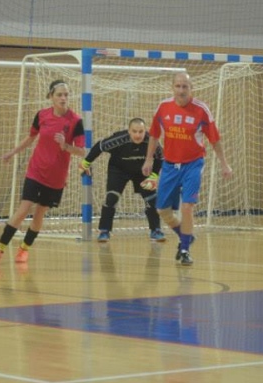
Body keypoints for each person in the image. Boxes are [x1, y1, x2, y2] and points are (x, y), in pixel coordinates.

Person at [0, 79, 85, 265]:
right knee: (23, 209)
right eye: (59, 95)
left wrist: (65, 146)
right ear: (50, 96)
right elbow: (30, 138)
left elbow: (81, 151)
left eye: (66, 94)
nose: (63, 98)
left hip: (56, 177)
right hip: (36, 171)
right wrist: (12, 152)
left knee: (39, 213)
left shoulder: (76, 121)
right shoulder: (41, 115)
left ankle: (24, 250)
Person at [142, 71, 232, 266]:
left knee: (187, 207)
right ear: (172, 88)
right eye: (178, 86)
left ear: (192, 89)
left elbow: (215, 139)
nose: (181, 90)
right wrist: (149, 159)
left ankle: (184, 249)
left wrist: (224, 163)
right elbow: (154, 136)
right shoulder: (163, 108)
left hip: (193, 164)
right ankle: (186, 235)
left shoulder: (201, 110)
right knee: (162, 210)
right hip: (169, 164)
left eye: (185, 87)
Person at [79, 118, 165, 242]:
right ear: (129, 131)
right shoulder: (119, 139)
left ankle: (155, 230)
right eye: (134, 131)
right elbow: (99, 146)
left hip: (142, 170)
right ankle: (104, 231)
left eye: (141, 132)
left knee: (151, 197)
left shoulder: (151, 141)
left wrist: (154, 176)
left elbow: (160, 158)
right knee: (112, 197)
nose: (137, 135)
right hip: (118, 170)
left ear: (145, 131)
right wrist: (86, 162)